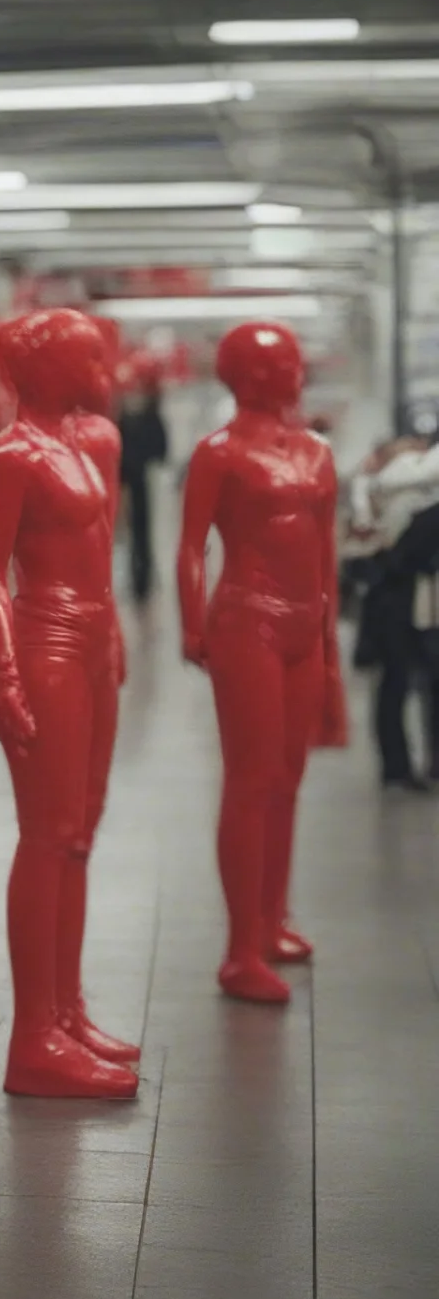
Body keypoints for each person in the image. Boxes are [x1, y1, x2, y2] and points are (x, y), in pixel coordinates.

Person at [0, 308, 139, 1100]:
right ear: (44, 370)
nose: (102, 366)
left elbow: (103, 547)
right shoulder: (7, 458)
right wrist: (2, 671)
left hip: (94, 641)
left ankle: (65, 1012)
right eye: (86, 355)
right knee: (48, 834)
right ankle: (33, 1038)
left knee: (79, 834)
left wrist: (116, 633)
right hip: (45, 645)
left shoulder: (94, 440)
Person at [178, 322, 344, 1004]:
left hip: (305, 623)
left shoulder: (316, 452)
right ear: (249, 376)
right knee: (251, 780)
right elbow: (192, 547)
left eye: (296, 362)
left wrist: (329, 646)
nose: (297, 373)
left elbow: (325, 550)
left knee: (288, 777)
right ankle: (240, 948)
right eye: (283, 364)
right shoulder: (218, 454)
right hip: (248, 619)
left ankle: (272, 921)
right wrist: (192, 626)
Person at [350, 433, 439, 789]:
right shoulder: (404, 502)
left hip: (400, 598)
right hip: (403, 599)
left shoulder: (384, 498)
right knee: (405, 681)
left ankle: (400, 767)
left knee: (401, 682)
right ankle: (403, 767)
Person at [116, 360, 170, 603]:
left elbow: (160, 449)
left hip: (143, 478)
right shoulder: (128, 418)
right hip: (131, 478)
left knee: (143, 529)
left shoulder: (147, 415)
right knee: (135, 529)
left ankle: (143, 576)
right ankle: (139, 575)